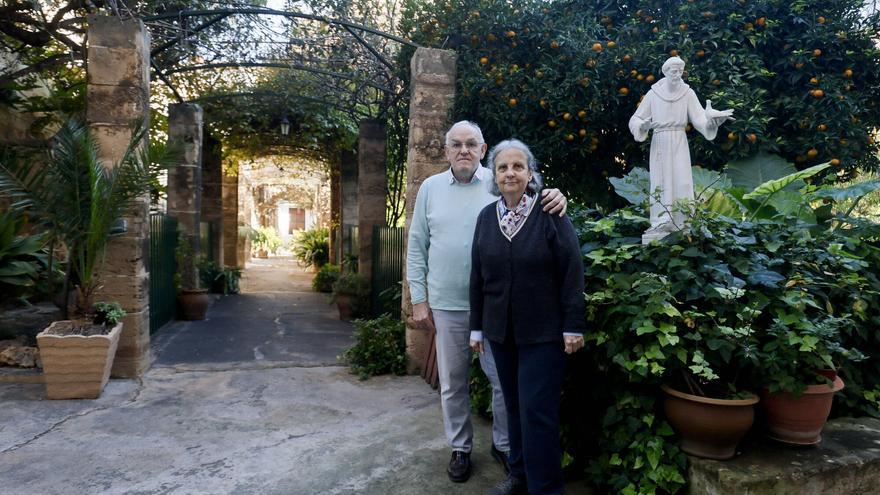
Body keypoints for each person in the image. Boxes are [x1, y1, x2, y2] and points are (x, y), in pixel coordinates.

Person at [407, 121, 567, 483]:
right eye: (456, 144)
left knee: (502, 380)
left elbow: (533, 202)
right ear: (446, 150)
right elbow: (416, 246)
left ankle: (506, 445)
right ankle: (461, 448)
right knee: (452, 382)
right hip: (447, 304)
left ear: (483, 150)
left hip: (498, 306)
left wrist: (559, 196)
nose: (463, 150)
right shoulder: (430, 189)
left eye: (471, 144)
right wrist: (419, 300)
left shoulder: (497, 183)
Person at [469, 139, 585, 495]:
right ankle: (518, 476)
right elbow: (477, 275)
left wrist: (573, 325)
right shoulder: (487, 217)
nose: (510, 173)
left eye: (518, 166)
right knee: (514, 408)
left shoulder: (551, 213)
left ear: (530, 173)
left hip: (543, 334)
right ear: (495, 175)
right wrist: (477, 328)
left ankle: (545, 488)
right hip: (500, 334)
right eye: (503, 167)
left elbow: (572, 270)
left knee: (538, 413)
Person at [628, 56, 733, 242]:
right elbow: (635, 119)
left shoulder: (687, 93)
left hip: (679, 139)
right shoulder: (654, 94)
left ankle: (684, 221)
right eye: (673, 71)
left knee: (682, 180)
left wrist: (712, 122)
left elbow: (700, 119)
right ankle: (661, 221)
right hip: (660, 140)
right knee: (661, 181)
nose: (677, 75)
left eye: (680, 71)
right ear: (666, 72)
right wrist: (643, 125)